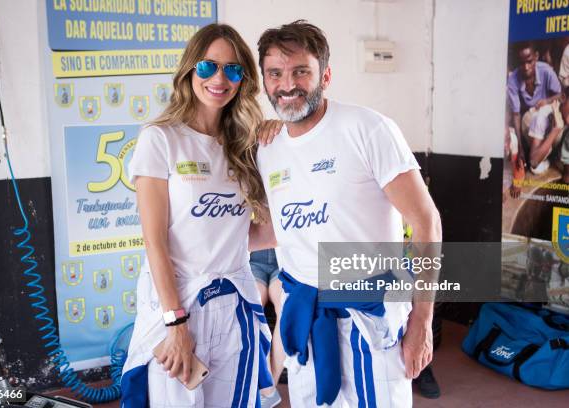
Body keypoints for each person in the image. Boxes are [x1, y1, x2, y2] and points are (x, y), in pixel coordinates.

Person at [256, 21, 442, 407]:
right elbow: (280, 230)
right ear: (264, 81)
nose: (287, 85)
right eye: (275, 74)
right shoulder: (268, 148)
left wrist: (422, 322)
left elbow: (427, 222)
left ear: (325, 74)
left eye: (300, 71)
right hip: (306, 315)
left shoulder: (367, 129)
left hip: (370, 316)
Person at [120, 24, 276, 408]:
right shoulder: (160, 139)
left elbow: (257, 235)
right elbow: (155, 242)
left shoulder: (245, 145)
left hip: (235, 307)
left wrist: (279, 146)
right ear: (190, 70)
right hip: (180, 307)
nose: (219, 79)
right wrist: (177, 323)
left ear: (244, 80)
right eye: (208, 67)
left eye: (233, 69)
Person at [507, 42, 562, 174]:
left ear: (536, 57)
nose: (526, 67)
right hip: (531, 117)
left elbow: (561, 95)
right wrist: (520, 147)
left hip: (548, 113)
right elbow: (516, 114)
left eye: (529, 61)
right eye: (521, 63)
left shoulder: (546, 71)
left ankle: (542, 155)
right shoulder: (513, 80)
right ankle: (541, 156)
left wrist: (546, 101)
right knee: (529, 119)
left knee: (543, 119)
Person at [249, 249, 285, 407]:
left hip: (285, 259)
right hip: (251, 259)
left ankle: (269, 389)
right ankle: (268, 390)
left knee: (285, 307)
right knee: (253, 307)